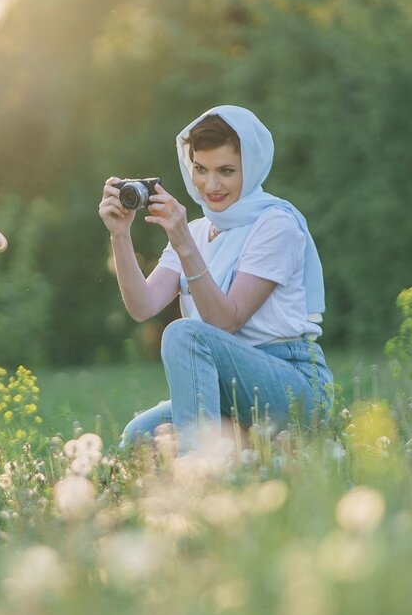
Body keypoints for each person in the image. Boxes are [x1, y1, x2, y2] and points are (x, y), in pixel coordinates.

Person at [98, 105, 333, 456]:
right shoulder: (193, 231)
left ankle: (201, 474)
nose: (211, 185)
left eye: (226, 171)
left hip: (291, 383)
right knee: (138, 437)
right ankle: (255, 447)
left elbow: (226, 320)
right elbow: (142, 306)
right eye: (200, 169)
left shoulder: (275, 224)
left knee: (182, 332)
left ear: (250, 168)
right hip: (229, 390)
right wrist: (120, 235)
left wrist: (182, 243)